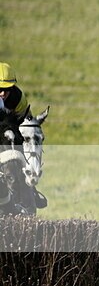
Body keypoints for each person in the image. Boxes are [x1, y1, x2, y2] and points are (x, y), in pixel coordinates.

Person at [0, 62, 48, 209]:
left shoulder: (18, 98)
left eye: (7, 89)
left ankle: (30, 190)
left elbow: (26, 124)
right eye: (0, 89)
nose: (3, 93)